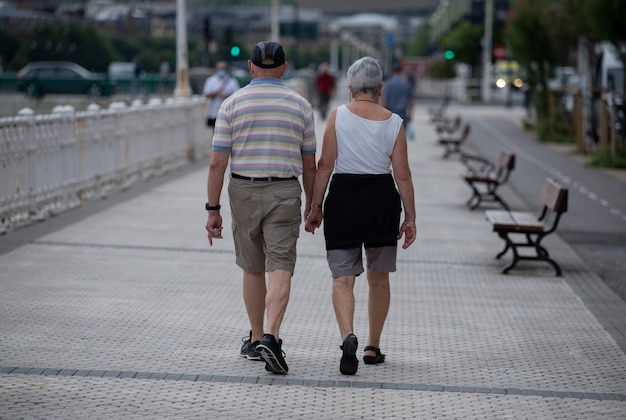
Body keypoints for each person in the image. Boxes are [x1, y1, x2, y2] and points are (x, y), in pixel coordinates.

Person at [205, 41, 317, 375]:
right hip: (285, 190)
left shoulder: (231, 104)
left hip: (243, 190)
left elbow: (216, 163)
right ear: (284, 68)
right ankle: (272, 336)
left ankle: (255, 340)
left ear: (251, 68)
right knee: (280, 266)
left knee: (252, 268)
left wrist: (213, 208)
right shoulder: (301, 106)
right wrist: (314, 206)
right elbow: (309, 165)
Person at [305, 56, 416, 376]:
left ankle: (347, 337)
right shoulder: (394, 121)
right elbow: (403, 175)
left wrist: (315, 206)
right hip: (382, 199)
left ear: (350, 88)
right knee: (378, 277)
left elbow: (324, 165)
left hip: (344, 199)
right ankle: (372, 346)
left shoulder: (337, 116)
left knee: (342, 278)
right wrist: (410, 218)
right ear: (381, 88)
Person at [202, 61, 240, 127]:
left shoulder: (232, 81)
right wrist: (216, 93)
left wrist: (226, 96)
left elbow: (238, 95)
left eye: (223, 68)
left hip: (229, 113)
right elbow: (206, 95)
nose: (222, 70)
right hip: (215, 113)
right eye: (220, 68)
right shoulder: (211, 81)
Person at [381, 64, 414, 129]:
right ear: (401, 72)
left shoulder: (388, 84)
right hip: (402, 113)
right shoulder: (407, 84)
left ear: (393, 72)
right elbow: (410, 102)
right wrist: (410, 114)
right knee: (402, 135)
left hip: (390, 114)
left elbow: (384, 100)